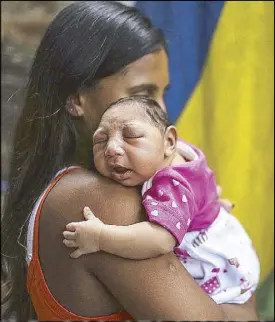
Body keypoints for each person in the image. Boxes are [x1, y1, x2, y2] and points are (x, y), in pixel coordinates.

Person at [1, 1, 259, 320]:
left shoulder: (80, 186)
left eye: (163, 93)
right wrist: (244, 301)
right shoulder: (99, 201)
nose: (161, 112)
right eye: (144, 94)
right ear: (76, 100)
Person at [63, 96, 260, 305]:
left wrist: (100, 237)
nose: (111, 149)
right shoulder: (181, 152)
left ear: (169, 141)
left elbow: (160, 239)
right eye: (100, 140)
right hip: (233, 242)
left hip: (219, 270)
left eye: (130, 136)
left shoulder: (171, 184)